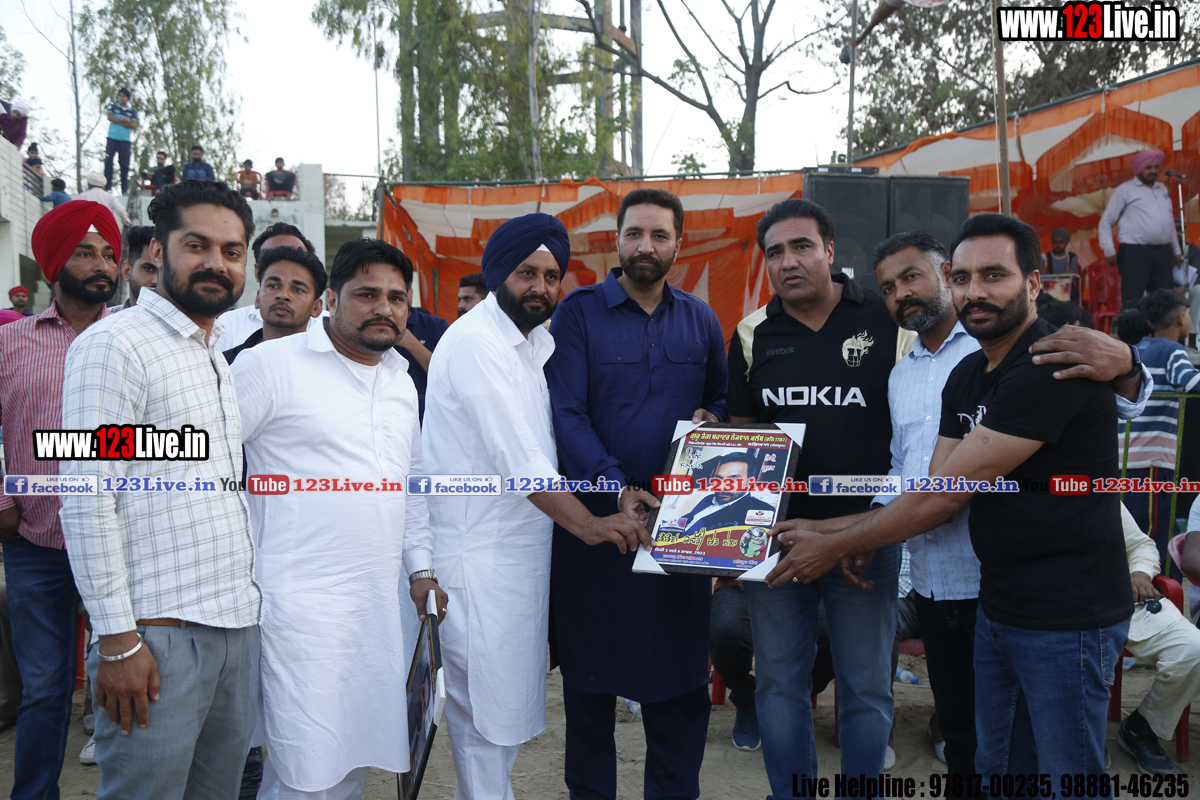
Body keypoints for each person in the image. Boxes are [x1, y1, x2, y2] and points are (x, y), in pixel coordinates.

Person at [778, 213, 1138, 785]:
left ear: (1034, 283)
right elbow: (926, 484)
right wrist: (833, 530)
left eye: (994, 275)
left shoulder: (1050, 363)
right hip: (990, 601)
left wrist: (832, 542)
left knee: (1065, 774)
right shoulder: (962, 372)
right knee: (987, 764)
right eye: (965, 277)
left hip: (1065, 614)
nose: (975, 291)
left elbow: (942, 498)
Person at [422, 212, 650, 800]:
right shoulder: (477, 343)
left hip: (517, 564)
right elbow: (521, 461)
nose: (541, 287)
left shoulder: (530, 346)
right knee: (482, 724)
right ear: (499, 272)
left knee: (498, 722)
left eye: (551, 276)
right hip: (477, 565)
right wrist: (590, 524)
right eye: (527, 273)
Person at [58, 180, 262, 799]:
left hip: (233, 626)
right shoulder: (115, 346)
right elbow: (88, 497)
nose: (216, 263)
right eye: (197, 245)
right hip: (155, 636)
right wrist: (118, 640)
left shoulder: (212, 353)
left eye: (231, 251)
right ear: (157, 250)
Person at [231, 238, 445, 799]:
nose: (384, 309)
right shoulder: (269, 365)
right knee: (304, 764)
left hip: (378, 608)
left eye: (396, 298)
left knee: (356, 754)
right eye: (367, 294)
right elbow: (207, 462)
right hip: (297, 610)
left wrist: (422, 570)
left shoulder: (400, 381)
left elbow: (411, 485)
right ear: (330, 299)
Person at [547, 188, 728, 800]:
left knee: (679, 685)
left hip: (681, 529)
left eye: (658, 235)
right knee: (590, 687)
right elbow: (566, 413)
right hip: (597, 530)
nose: (645, 246)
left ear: (678, 244)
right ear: (617, 240)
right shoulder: (577, 314)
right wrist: (615, 485)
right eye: (634, 234)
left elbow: (720, 398)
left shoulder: (701, 318)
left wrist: (713, 420)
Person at [724, 198, 903, 796]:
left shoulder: (886, 320)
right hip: (776, 543)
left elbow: (913, 433)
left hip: (866, 542)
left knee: (867, 687)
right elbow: (743, 438)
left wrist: (869, 528)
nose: (787, 261)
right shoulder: (751, 333)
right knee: (779, 685)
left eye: (801, 246)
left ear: (829, 250)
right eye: (774, 252)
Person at [0, 200, 119, 800]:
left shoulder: (132, 340)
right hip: (35, 542)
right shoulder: (9, 343)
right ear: (52, 265)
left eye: (109, 254)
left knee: (126, 680)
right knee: (45, 689)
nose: (102, 265)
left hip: (121, 540)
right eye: (85, 252)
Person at [1112, 290, 1200, 564]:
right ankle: (1154, 585)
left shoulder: (1135, 349)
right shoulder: (1172, 350)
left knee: (1127, 534)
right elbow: (1191, 382)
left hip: (1121, 457)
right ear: (1181, 318)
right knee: (1151, 532)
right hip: (1150, 458)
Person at [1118, 504, 1200, 776]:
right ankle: (1081, 738)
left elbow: (1140, 545)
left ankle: (1143, 727)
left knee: (1194, 649)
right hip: (1055, 610)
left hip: (1121, 601)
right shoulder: (1013, 495)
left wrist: (1140, 572)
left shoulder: (1098, 492)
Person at [216, 222, 318, 348]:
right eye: (271, 258)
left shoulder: (329, 328)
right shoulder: (227, 324)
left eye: (295, 257)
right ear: (257, 271)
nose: (284, 295)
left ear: (317, 306)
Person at [1099, 149, 1182, 305]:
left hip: (1163, 253)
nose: (1153, 171)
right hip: (1135, 253)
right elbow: (1106, 222)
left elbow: (1169, 221)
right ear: (1138, 169)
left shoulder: (1163, 189)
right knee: (1133, 300)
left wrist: (1176, 251)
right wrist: (1108, 249)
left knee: (1166, 301)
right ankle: (1131, 322)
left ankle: (1162, 323)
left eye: (1156, 167)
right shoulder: (1125, 190)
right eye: (1148, 167)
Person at [223, 245, 325, 364]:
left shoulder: (327, 365)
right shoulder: (224, 364)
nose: (283, 295)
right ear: (257, 298)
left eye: (298, 290)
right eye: (273, 286)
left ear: (316, 307)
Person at [677, 454, 773, 541]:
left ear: (750, 482)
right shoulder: (709, 499)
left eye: (733, 479)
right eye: (719, 479)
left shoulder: (762, 510)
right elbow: (686, 520)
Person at [395, 304, 449, 419]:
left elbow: (447, 377)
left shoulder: (435, 325)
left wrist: (411, 344)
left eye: (396, 297)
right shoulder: (369, 328)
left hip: (426, 412)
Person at [110, 226, 158, 311]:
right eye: (149, 269)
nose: (156, 280)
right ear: (127, 271)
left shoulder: (182, 319)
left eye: (163, 272)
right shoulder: (107, 318)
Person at [104, 88, 138, 194]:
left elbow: (133, 124)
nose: (121, 98)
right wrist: (125, 120)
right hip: (112, 139)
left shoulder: (132, 112)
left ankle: (124, 189)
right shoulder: (113, 107)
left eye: (124, 96)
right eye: (120, 95)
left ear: (127, 98)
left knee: (124, 165)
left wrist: (117, 120)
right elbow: (110, 117)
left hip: (125, 141)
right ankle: (107, 186)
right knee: (108, 161)